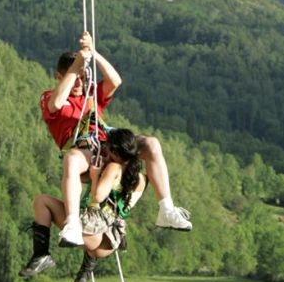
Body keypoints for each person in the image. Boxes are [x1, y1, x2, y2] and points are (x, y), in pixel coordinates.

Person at [38, 31, 191, 247]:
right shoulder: (49, 97)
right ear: (60, 76)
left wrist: (93, 53)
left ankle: (166, 208)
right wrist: (75, 68)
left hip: (106, 143)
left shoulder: (91, 96)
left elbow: (115, 81)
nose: (79, 84)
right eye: (74, 79)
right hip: (83, 149)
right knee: (72, 159)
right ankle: (72, 223)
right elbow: (56, 103)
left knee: (151, 144)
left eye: (83, 78)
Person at [19, 129, 146, 282]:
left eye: (107, 147)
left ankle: (41, 254)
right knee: (83, 217)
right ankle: (85, 271)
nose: (104, 149)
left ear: (114, 151)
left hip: (96, 230)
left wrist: (94, 176)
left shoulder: (114, 167)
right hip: (109, 242)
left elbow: (98, 195)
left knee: (42, 202)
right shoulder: (140, 179)